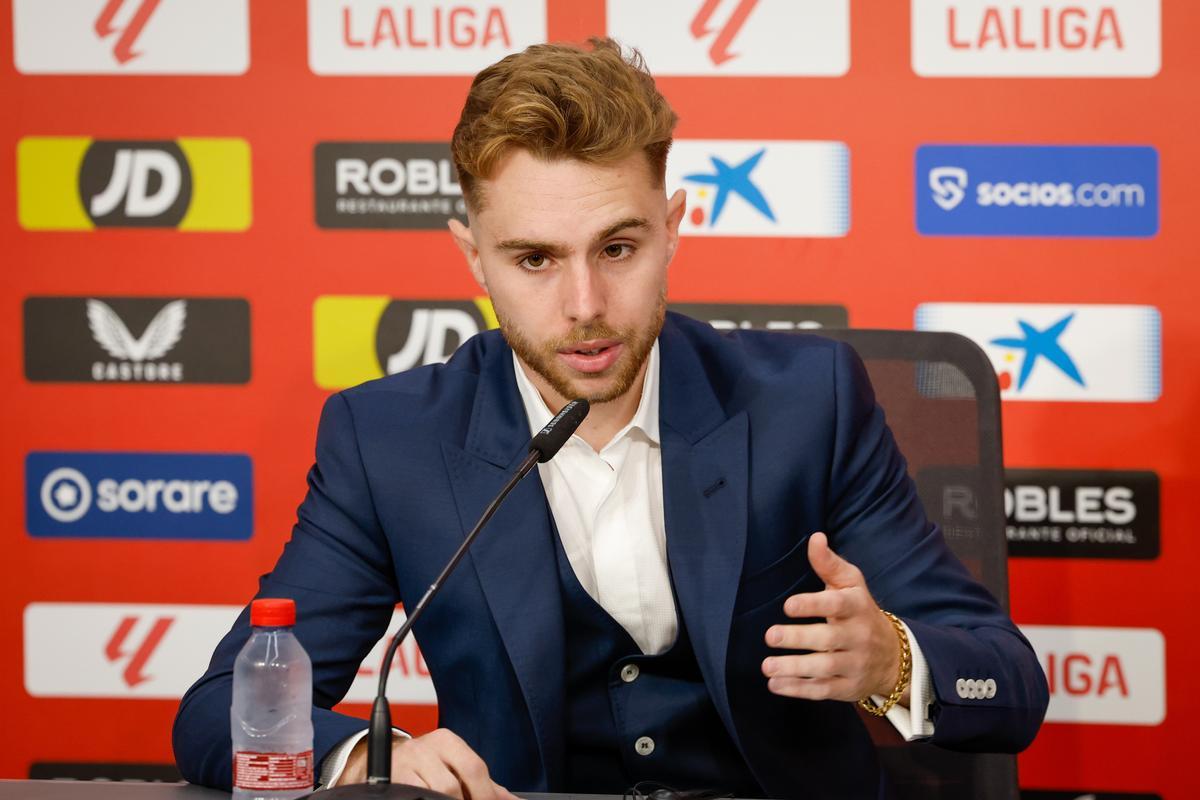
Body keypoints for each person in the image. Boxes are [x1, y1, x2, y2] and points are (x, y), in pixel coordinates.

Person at [174, 38, 1048, 799]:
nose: (585, 305)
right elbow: (221, 713)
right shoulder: (387, 442)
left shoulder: (806, 403)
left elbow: (1009, 687)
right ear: (472, 258)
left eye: (619, 248)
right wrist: (372, 755)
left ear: (673, 229)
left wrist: (892, 663)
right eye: (535, 260)